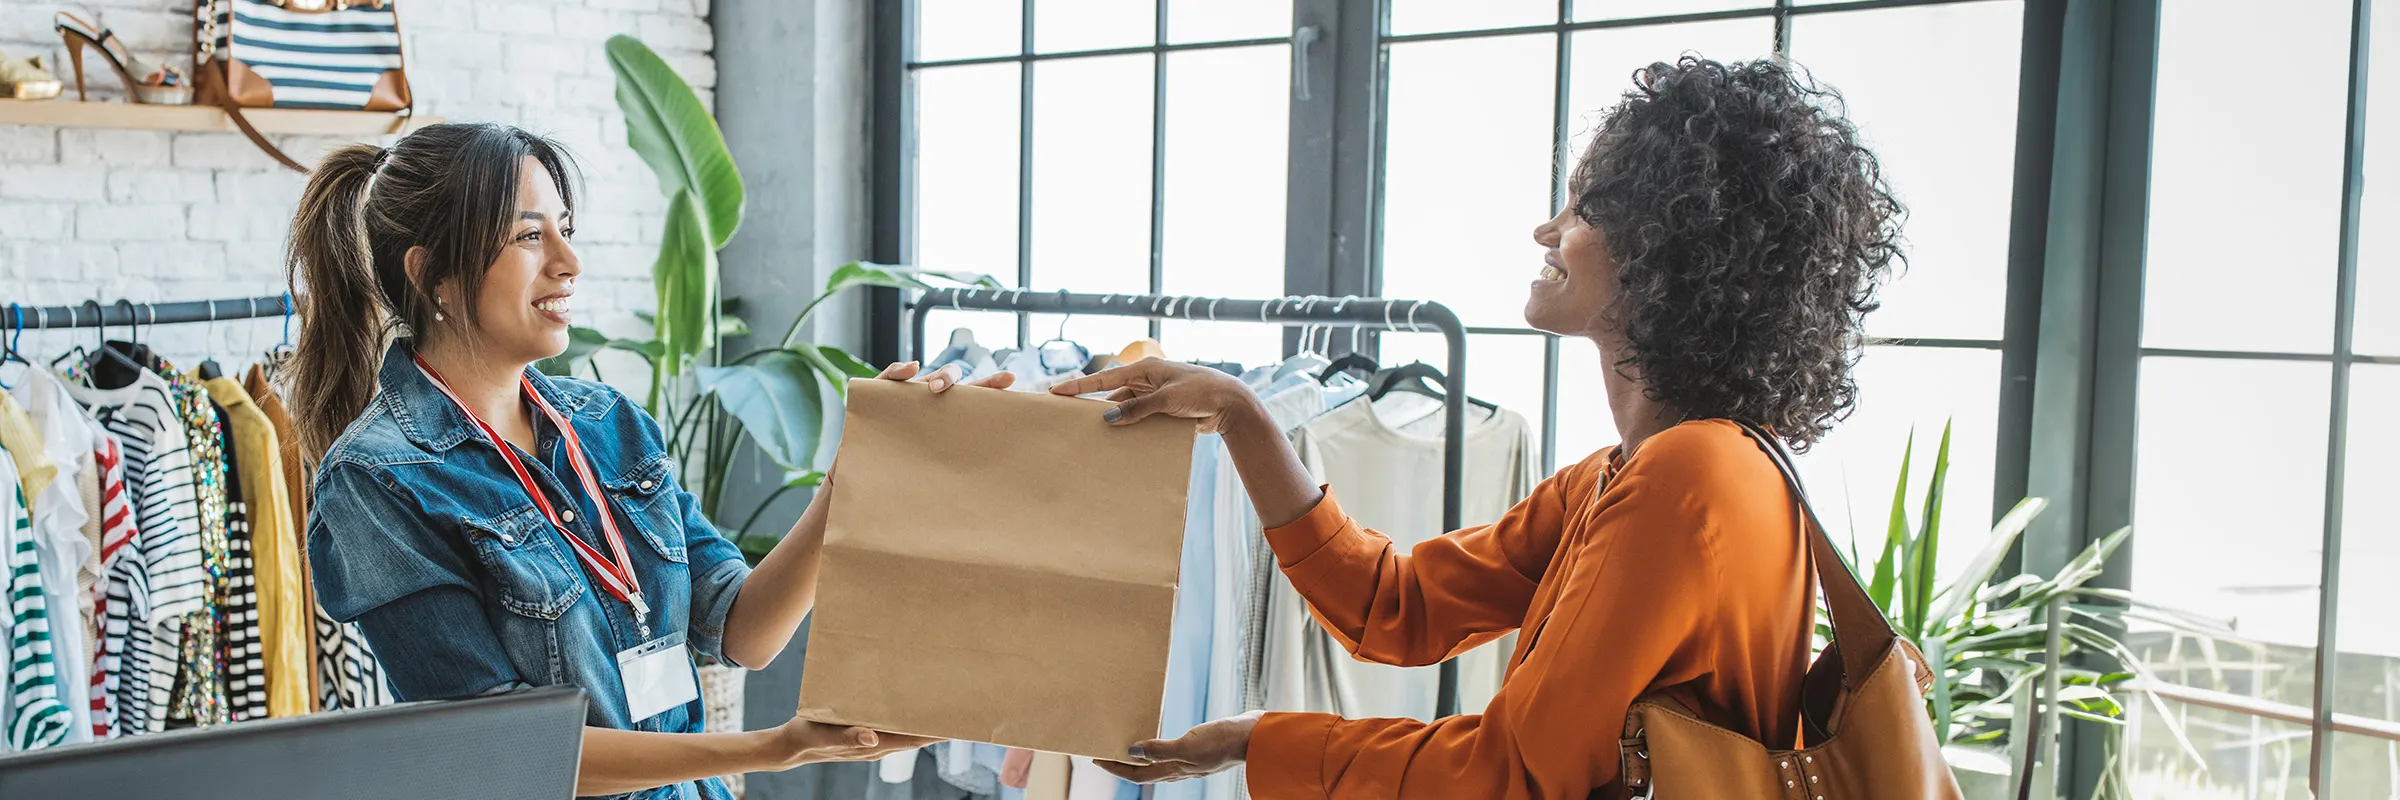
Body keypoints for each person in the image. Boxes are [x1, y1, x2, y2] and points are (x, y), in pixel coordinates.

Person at [1061, 56, 1906, 798]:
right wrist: (1242, 415)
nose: (1548, 230)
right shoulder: (1632, 474)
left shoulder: (1687, 478)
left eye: (1585, 208)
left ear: (1671, 248)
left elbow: (1509, 778)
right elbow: (1398, 608)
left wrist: (1261, 743)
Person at [287, 123, 1009, 799]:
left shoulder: (608, 423)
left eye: (565, 232)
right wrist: (772, 748)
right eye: (529, 236)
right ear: (433, 274)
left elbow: (742, 631)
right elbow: (503, 753)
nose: (569, 264)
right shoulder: (377, 481)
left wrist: (849, 479)